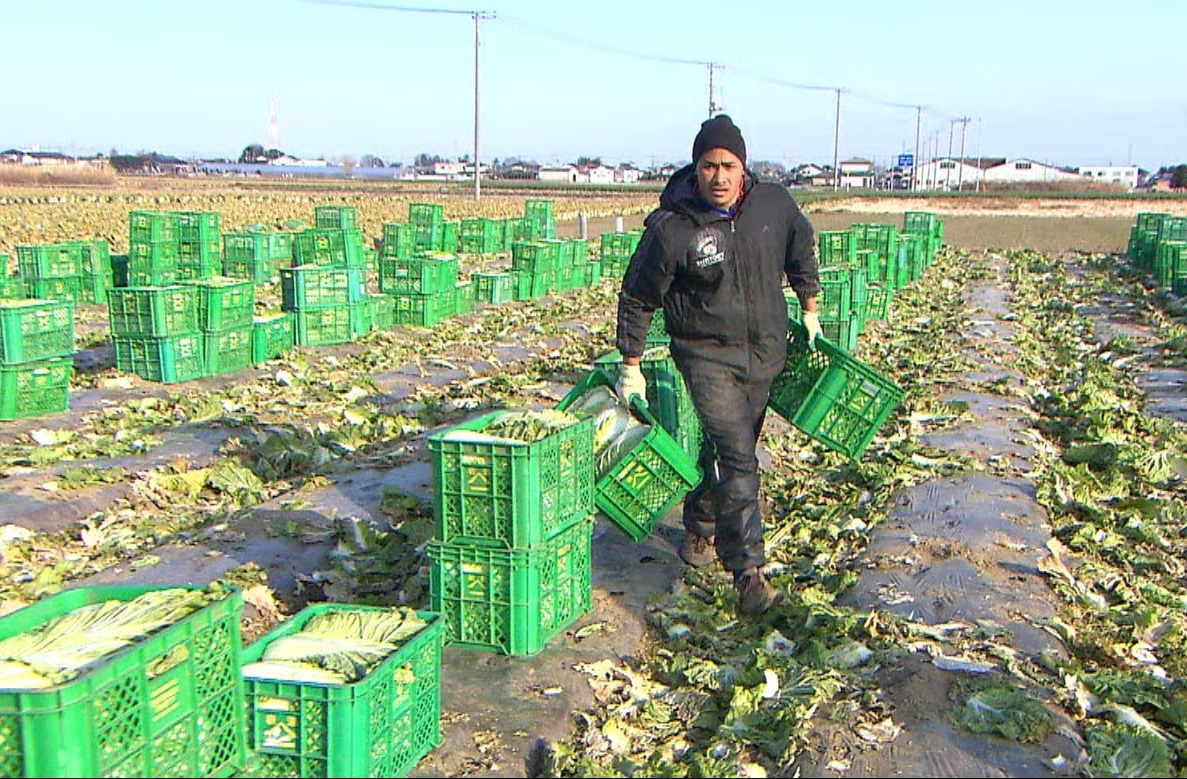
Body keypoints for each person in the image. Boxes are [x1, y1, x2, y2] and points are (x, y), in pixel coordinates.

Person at [614, 114, 822, 615]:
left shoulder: (773, 205)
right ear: (696, 167)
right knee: (737, 455)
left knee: (733, 449)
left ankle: (700, 524)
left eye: (729, 165)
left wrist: (810, 309)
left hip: (765, 352)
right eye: (710, 165)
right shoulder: (672, 228)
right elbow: (638, 296)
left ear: (743, 167)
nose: (720, 176)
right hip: (706, 356)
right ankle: (748, 574)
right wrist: (631, 363)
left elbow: (801, 249)